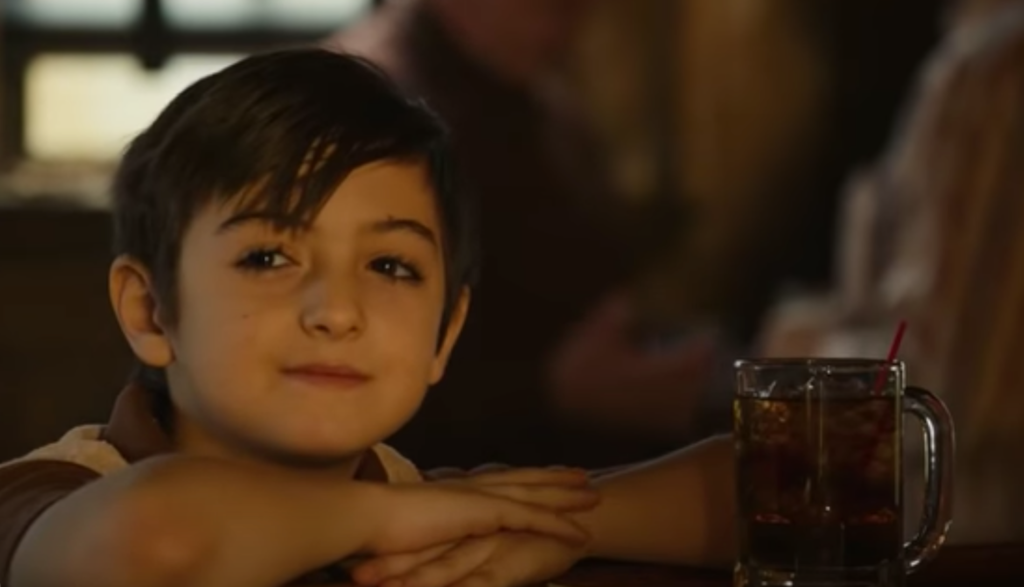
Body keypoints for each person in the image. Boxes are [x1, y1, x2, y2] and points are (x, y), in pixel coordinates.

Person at [0, 49, 735, 587]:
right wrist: (404, 517)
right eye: (266, 257)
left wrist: (555, 525)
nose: (338, 310)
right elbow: (157, 539)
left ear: (444, 333)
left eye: (391, 266)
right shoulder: (51, 494)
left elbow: (772, 487)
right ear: (150, 309)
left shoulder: (421, 505)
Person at [328, 0, 723, 469]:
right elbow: (337, 381)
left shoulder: (528, 93)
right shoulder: (372, 120)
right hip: (455, 496)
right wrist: (549, 392)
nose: (576, 18)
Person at [758, 0, 1024, 543]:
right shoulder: (971, 59)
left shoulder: (997, 73)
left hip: (960, 542)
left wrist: (796, 351)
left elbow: (951, 396)